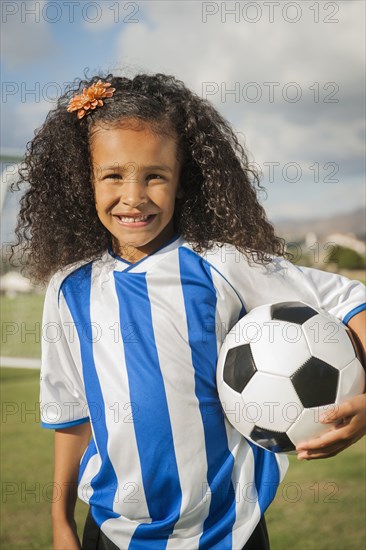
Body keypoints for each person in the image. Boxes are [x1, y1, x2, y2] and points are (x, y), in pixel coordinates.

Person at [11, 73, 365, 550]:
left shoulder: (223, 264)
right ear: (85, 182)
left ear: (182, 182)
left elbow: (349, 300)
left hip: (227, 533)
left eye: (155, 176)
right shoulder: (69, 288)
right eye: (113, 175)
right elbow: (71, 414)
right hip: (113, 532)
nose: (133, 197)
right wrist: (60, 520)